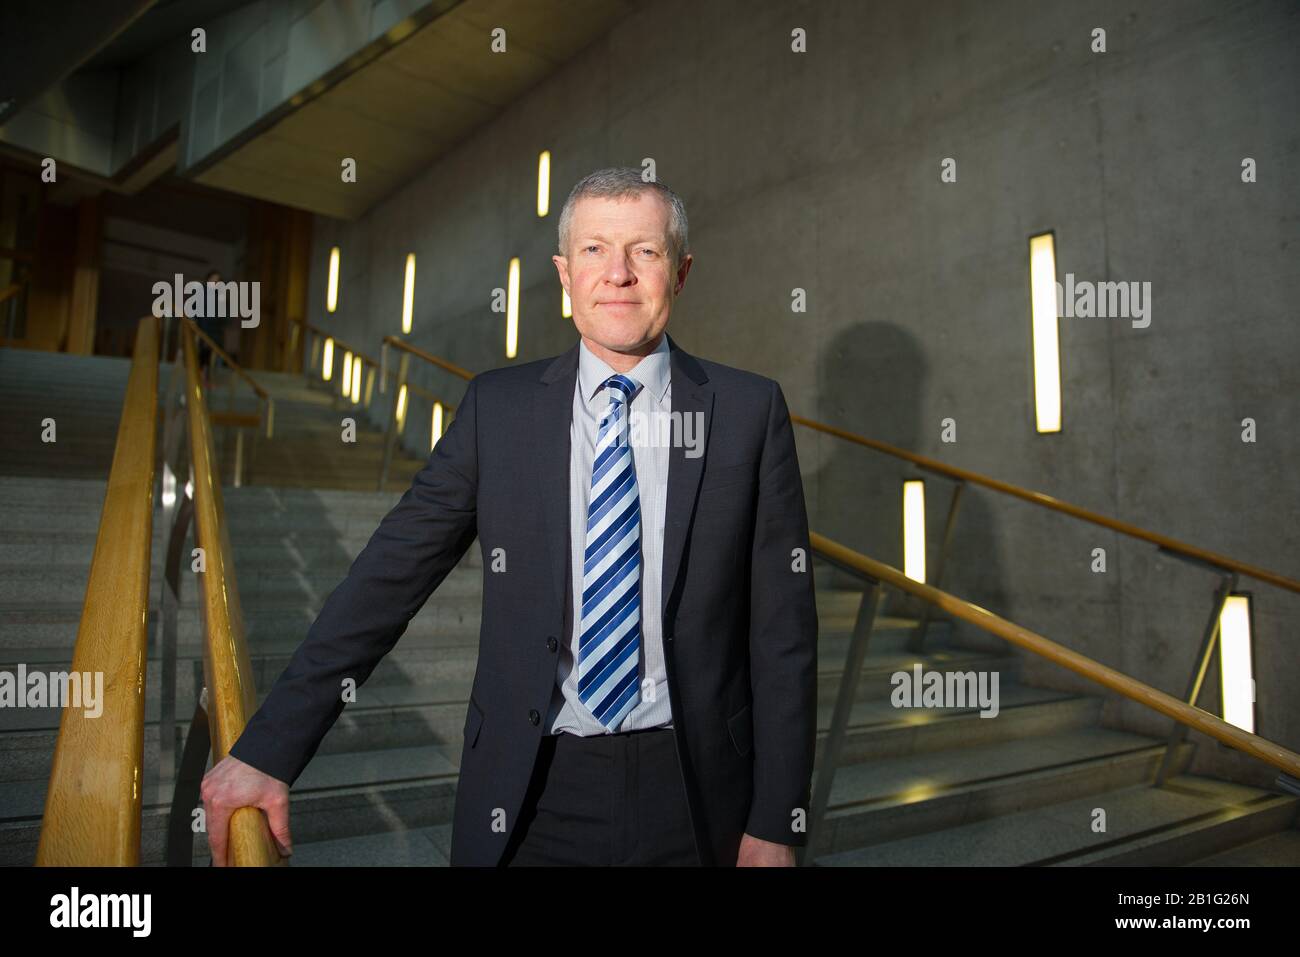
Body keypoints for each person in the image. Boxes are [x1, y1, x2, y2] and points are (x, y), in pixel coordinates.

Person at [201, 167, 818, 867]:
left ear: (679, 271)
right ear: (563, 274)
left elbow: (783, 636)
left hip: (700, 792)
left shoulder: (747, 411)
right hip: (532, 793)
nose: (617, 273)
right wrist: (269, 747)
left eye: (643, 251)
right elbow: (385, 579)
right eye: (593, 250)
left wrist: (779, 818)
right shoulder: (499, 410)